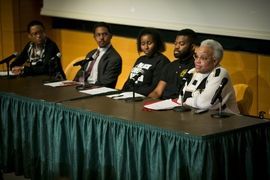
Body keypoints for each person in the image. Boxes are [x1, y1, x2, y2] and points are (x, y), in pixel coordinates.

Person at [179, 39, 239, 114]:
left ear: (215, 61)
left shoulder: (221, 73)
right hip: (196, 118)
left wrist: (188, 101)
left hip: (224, 121)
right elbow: (181, 98)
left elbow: (206, 103)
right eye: (196, 56)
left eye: (203, 58)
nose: (197, 61)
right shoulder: (193, 72)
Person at [148, 29, 197, 99]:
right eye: (176, 43)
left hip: (180, 105)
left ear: (192, 47)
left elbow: (191, 96)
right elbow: (157, 92)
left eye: (181, 44)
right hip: (163, 103)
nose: (177, 47)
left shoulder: (196, 66)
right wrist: (147, 102)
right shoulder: (170, 66)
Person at [121, 27, 170, 96]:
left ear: (157, 43)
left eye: (149, 43)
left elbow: (154, 87)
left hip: (141, 97)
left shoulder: (162, 61)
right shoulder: (140, 59)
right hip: (129, 95)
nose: (146, 47)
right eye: (143, 44)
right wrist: (121, 92)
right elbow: (129, 81)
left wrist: (133, 94)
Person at [73, 22, 122, 88]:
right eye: (98, 35)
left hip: (97, 91)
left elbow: (105, 82)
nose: (101, 37)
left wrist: (87, 87)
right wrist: (73, 85)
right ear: (94, 37)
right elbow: (80, 75)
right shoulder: (91, 53)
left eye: (104, 34)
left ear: (110, 36)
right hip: (83, 88)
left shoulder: (114, 58)